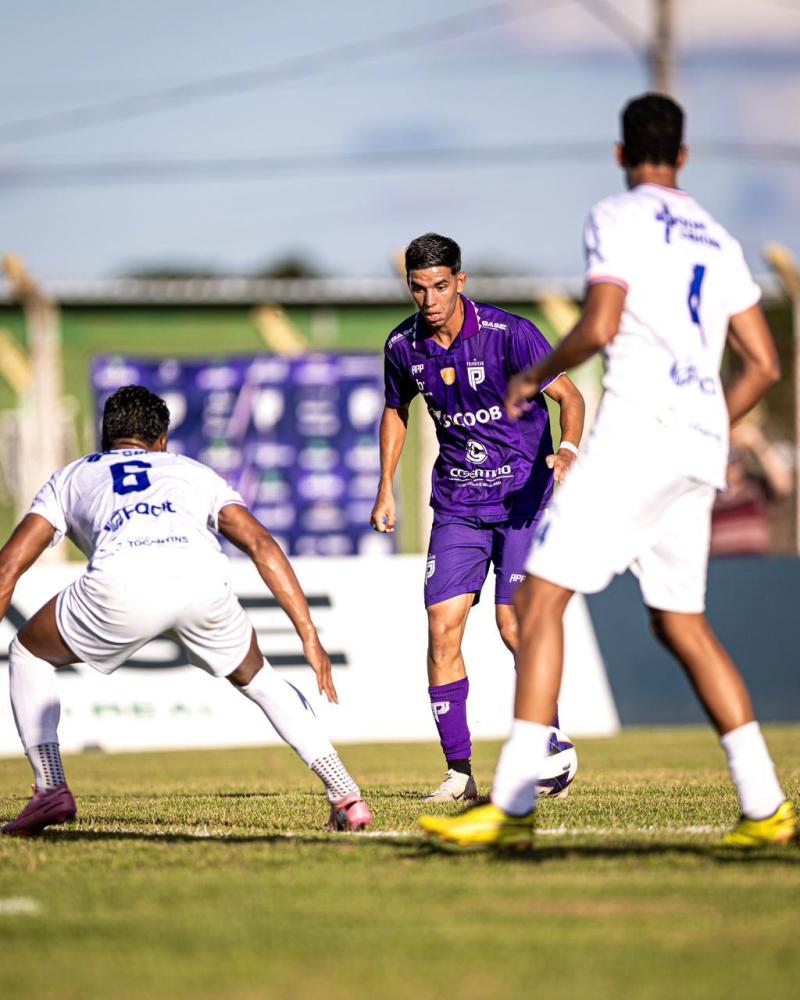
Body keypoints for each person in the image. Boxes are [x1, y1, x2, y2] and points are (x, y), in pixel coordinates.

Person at [420, 93, 798, 849]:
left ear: (622, 154)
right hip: (697, 447)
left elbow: (598, 325)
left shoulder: (617, 217)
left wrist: (532, 380)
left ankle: (516, 806)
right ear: (683, 156)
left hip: (638, 436)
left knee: (541, 603)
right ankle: (767, 807)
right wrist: (712, 424)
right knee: (681, 623)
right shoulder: (719, 239)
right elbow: (764, 363)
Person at [1, 385, 372, 836]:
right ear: (162, 441)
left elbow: (9, 566)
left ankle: (50, 786)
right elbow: (261, 544)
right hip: (201, 580)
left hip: (121, 582)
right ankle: (345, 793)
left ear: (105, 436)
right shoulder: (194, 472)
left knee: (28, 652)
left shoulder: (71, 476)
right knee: (260, 678)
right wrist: (309, 635)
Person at [371, 233, 585, 801]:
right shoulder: (402, 346)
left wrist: (567, 451)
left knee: (514, 627)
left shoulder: (509, 334)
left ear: (460, 281)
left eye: (440, 285)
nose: (430, 299)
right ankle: (460, 773)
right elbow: (396, 412)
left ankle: (547, 744)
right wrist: (386, 487)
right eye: (418, 288)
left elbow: (571, 397)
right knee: (442, 627)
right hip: (458, 506)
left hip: (521, 501)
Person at [710, 416, 793, 556]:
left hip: (755, 568)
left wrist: (756, 442)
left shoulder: (755, 487)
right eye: (729, 458)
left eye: (737, 457)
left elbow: (784, 485)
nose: (733, 465)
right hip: (721, 569)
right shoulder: (711, 491)